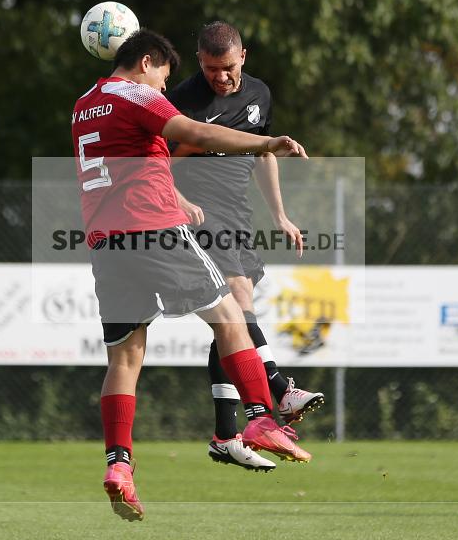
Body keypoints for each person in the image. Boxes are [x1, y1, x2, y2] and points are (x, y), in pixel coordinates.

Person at [71, 29, 309, 522]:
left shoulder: (83, 105)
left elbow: (132, 159)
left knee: (125, 359)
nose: (163, 87)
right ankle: (261, 418)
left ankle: (119, 466)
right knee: (230, 315)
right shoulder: (139, 95)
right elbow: (196, 133)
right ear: (147, 62)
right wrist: (268, 140)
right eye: (163, 75)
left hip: (104, 242)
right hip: (152, 226)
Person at [166, 22, 325, 470]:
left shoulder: (259, 94)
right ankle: (278, 389)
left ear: (244, 57)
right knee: (236, 303)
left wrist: (280, 215)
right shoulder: (184, 101)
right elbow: (159, 160)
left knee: (231, 323)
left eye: (229, 68)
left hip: (237, 216)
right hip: (199, 215)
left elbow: (261, 154)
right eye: (212, 69)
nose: (221, 77)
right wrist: (183, 188)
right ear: (200, 62)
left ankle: (224, 434)